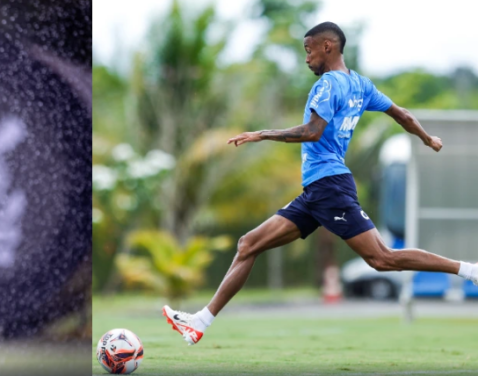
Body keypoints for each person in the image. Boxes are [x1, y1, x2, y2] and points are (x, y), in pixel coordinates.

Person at [162, 21, 478, 346]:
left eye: (308, 49)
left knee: (382, 258)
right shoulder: (361, 85)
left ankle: (468, 270)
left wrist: (262, 134)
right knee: (248, 245)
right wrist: (428, 139)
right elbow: (403, 115)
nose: (306, 57)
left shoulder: (329, 85)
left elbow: (312, 131)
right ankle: (199, 322)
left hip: (330, 187)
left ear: (327, 46)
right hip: (317, 190)